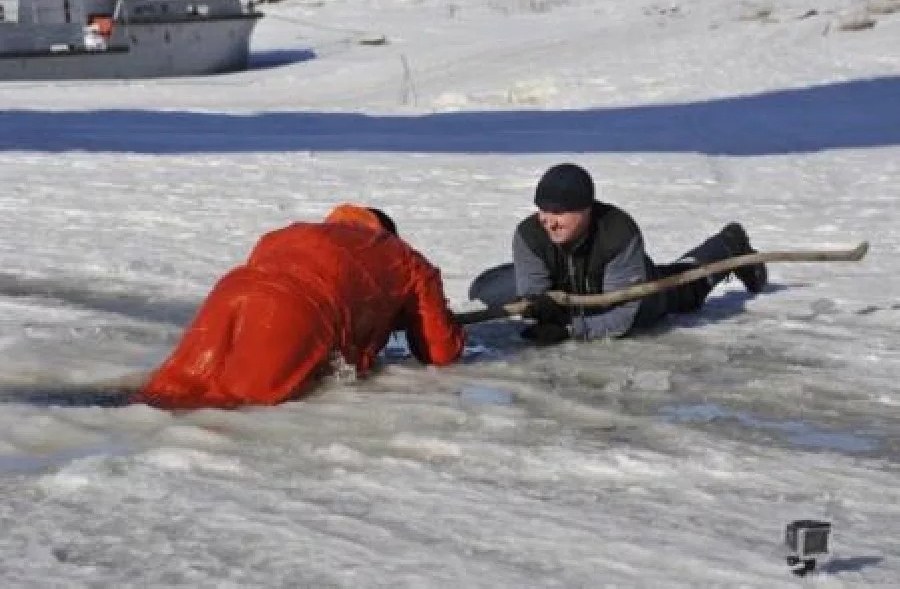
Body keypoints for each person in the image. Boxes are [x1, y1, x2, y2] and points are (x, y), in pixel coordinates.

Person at [133, 204, 465, 409]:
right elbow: (440, 351)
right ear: (388, 232)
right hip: (297, 311)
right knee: (234, 407)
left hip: (230, 292)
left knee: (172, 388)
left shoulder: (288, 233)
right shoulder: (407, 260)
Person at [512, 163, 767, 344]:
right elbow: (533, 296)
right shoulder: (529, 234)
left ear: (586, 209)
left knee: (687, 285)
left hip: (636, 293)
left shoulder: (618, 233)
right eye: (543, 211)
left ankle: (729, 245)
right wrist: (537, 311)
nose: (549, 221)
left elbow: (622, 317)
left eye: (559, 212)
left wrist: (570, 330)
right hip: (578, 294)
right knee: (494, 289)